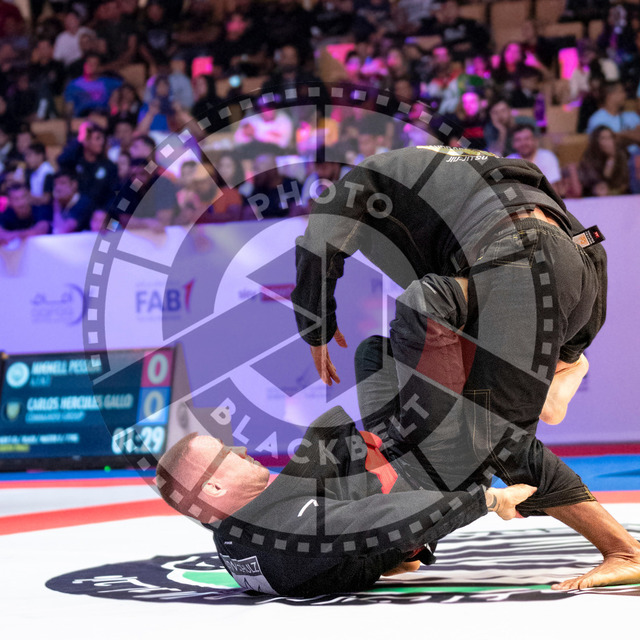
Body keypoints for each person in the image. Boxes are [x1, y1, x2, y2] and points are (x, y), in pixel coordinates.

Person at [290, 145, 640, 590]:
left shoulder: (360, 182)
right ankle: (561, 375)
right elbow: (582, 242)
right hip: (570, 272)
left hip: (520, 263)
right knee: (378, 356)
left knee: (493, 438)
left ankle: (624, 550)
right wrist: (574, 344)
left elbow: (318, 243)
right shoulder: (456, 169)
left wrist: (316, 327)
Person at [156, 407, 537, 596]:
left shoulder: (234, 535)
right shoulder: (282, 532)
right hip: (418, 485)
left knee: (371, 360)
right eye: (225, 453)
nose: (240, 449)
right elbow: (381, 518)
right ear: (215, 488)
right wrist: (489, 500)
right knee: (482, 412)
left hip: (374, 507)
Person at [507, 124, 563, 195]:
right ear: (513, 144)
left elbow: (553, 191)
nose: (523, 143)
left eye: (527, 139)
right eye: (518, 140)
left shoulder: (547, 157)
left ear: (535, 141)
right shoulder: (508, 161)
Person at [578, 125, 630, 196]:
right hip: (592, 197)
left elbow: (622, 182)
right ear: (596, 141)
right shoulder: (589, 158)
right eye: (603, 138)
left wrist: (612, 158)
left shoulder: (621, 156)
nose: (608, 141)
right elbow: (589, 183)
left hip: (619, 196)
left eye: (610, 137)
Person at [50, 169, 93, 233]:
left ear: (74, 185)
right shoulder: (55, 202)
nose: (58, 188)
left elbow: (63, 230)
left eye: (62, 183)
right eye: (55, 184)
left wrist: (56, 207)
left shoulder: (83, 203)